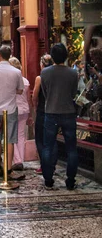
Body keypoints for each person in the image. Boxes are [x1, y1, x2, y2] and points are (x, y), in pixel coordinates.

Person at [41, 42, 79, 190]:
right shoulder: (72, 73)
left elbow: (45, 92)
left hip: (51, 112)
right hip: (68, 112)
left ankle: (48, 179)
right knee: (71, 148)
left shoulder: (45, 72)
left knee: (48, 146)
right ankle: (70, 180)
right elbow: (73, 92)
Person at [0, 45, 24, 180]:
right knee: (10, 140)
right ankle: (8, 169)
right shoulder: (16, 72)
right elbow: (20, 90)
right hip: (10, 108)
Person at [9, 57, 32, 171]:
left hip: (13, 109)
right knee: (21, 135)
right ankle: (21, 160)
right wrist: (31, 113)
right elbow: (28, 98)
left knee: (12, 135)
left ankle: (17, 160)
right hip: (24, 109)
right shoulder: (25, 81)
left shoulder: (10, 81)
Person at [32, 54, 53, 173]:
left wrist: (35, 107)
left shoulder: (40, 78)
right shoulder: (56, 77)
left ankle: (44, 165)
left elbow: (35, 95)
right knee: (50, 140)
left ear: (42, 64)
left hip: (42, 111)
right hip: (54, 111)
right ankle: (51, 164)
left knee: (40, 139)